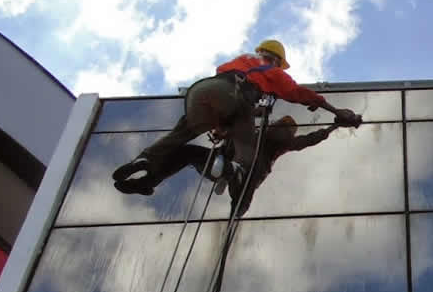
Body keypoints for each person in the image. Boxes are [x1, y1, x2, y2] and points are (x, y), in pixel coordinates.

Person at [112, 39, 361, 197]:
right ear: (275, 60)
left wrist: (221, 126)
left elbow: (223, 102)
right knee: (244, 140)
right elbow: (298, 93)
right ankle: (237, 170)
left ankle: (145, 162)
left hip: (202, 90)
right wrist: (336, 112)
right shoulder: (274, 72)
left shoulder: (239, 60)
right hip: (234, 96)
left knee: (181, 135)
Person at [113, 116, 344, 217]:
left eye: (283, 128)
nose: (280, 129)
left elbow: (308, 140)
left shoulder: (276, 143)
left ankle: (149, 180)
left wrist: (331, 129)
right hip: (223, 165)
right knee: (188, 153)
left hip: (243, 173)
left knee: (192, 155)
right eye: (280, 125)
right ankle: (147, 182)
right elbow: (307, 140)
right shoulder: (257, 133)